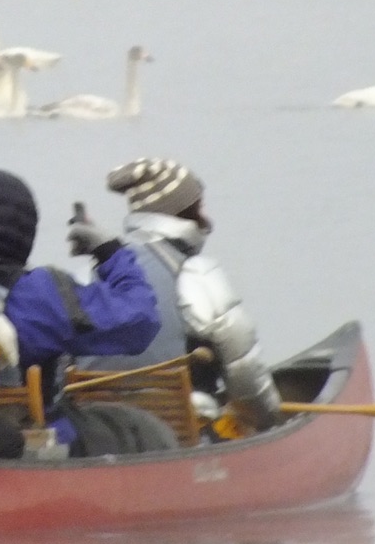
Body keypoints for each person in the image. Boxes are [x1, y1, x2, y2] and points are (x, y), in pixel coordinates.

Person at [71, 157, 282, 434]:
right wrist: (268, 418)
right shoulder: (197, 273)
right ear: (185, 211)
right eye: (200, 206)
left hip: (93, 434)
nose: (208, 218)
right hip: (176, 434)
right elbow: (247, 380)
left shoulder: (86, 272)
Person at [0, 168, 162, 397]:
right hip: (30, 426)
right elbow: (140, 321)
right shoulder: (42, 293)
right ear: (24, 225)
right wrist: (109, 252)